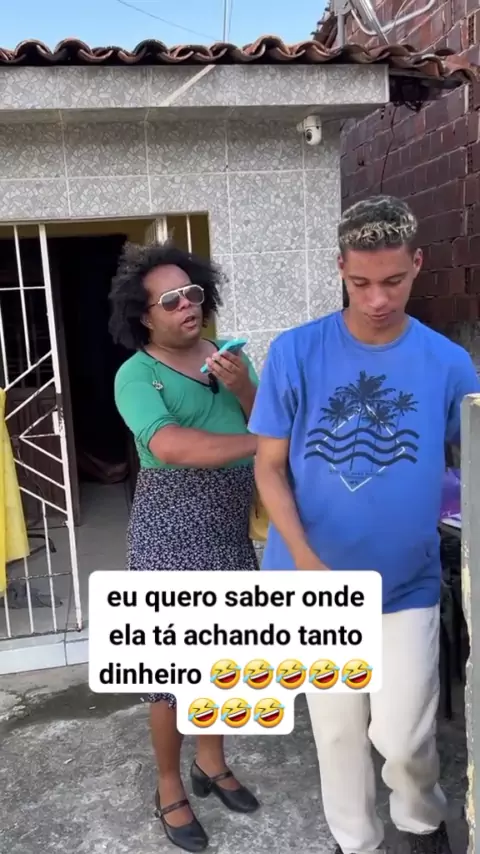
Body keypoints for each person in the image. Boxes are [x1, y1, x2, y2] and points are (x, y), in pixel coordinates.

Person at [248, 195, 480, 854]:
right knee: (339, 731)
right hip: (313, 580)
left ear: (418, 264)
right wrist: (305, 561)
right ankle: (356, 842)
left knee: (403, 733)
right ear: (341, 269)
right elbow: (269, 467)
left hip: (406, 581)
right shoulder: (296, 352)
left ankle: (421, 820)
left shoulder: (447, 363)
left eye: (394, 281)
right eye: (360, 283)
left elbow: (468, 455)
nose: (378, 298)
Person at [110, 241, 260, 853]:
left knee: (225, 657)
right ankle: (169, 786)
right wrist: (264, 445)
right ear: (145, 316)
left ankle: (211, 762)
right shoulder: (135, 375)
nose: (187, 306)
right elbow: (170, 445)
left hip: (228, 526)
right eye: (169, 301)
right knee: (171, 673)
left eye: (192, 293)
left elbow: (265, 416)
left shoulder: (228, 358)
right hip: (170, 531)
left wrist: (244, 389)